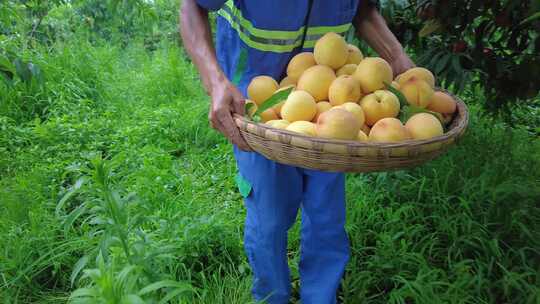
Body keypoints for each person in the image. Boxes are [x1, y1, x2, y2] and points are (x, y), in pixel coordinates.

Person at [179, 1, 414, 303]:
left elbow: (364, 9)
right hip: (258, 106)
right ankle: (271, 297)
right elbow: (192, 6)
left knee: (327, 218)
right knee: (270, 218)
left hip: (329, 101)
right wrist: (214, 80)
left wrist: (397, 58)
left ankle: (321, 298)